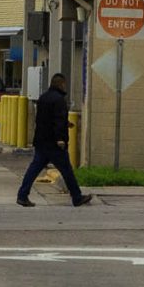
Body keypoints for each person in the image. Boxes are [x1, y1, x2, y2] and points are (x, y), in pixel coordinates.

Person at [17, 72, 89, 207]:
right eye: (64, 84)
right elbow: (58, 120)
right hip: (54, 143)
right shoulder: (59, 100)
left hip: (41, 140)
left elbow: (45, 118)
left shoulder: (43, 98)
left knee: (33, 169)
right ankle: (77, 197)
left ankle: (22, 195)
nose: (65, 87)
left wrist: (66, 123)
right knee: (66, 170)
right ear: (61, 84)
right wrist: (60, 138)